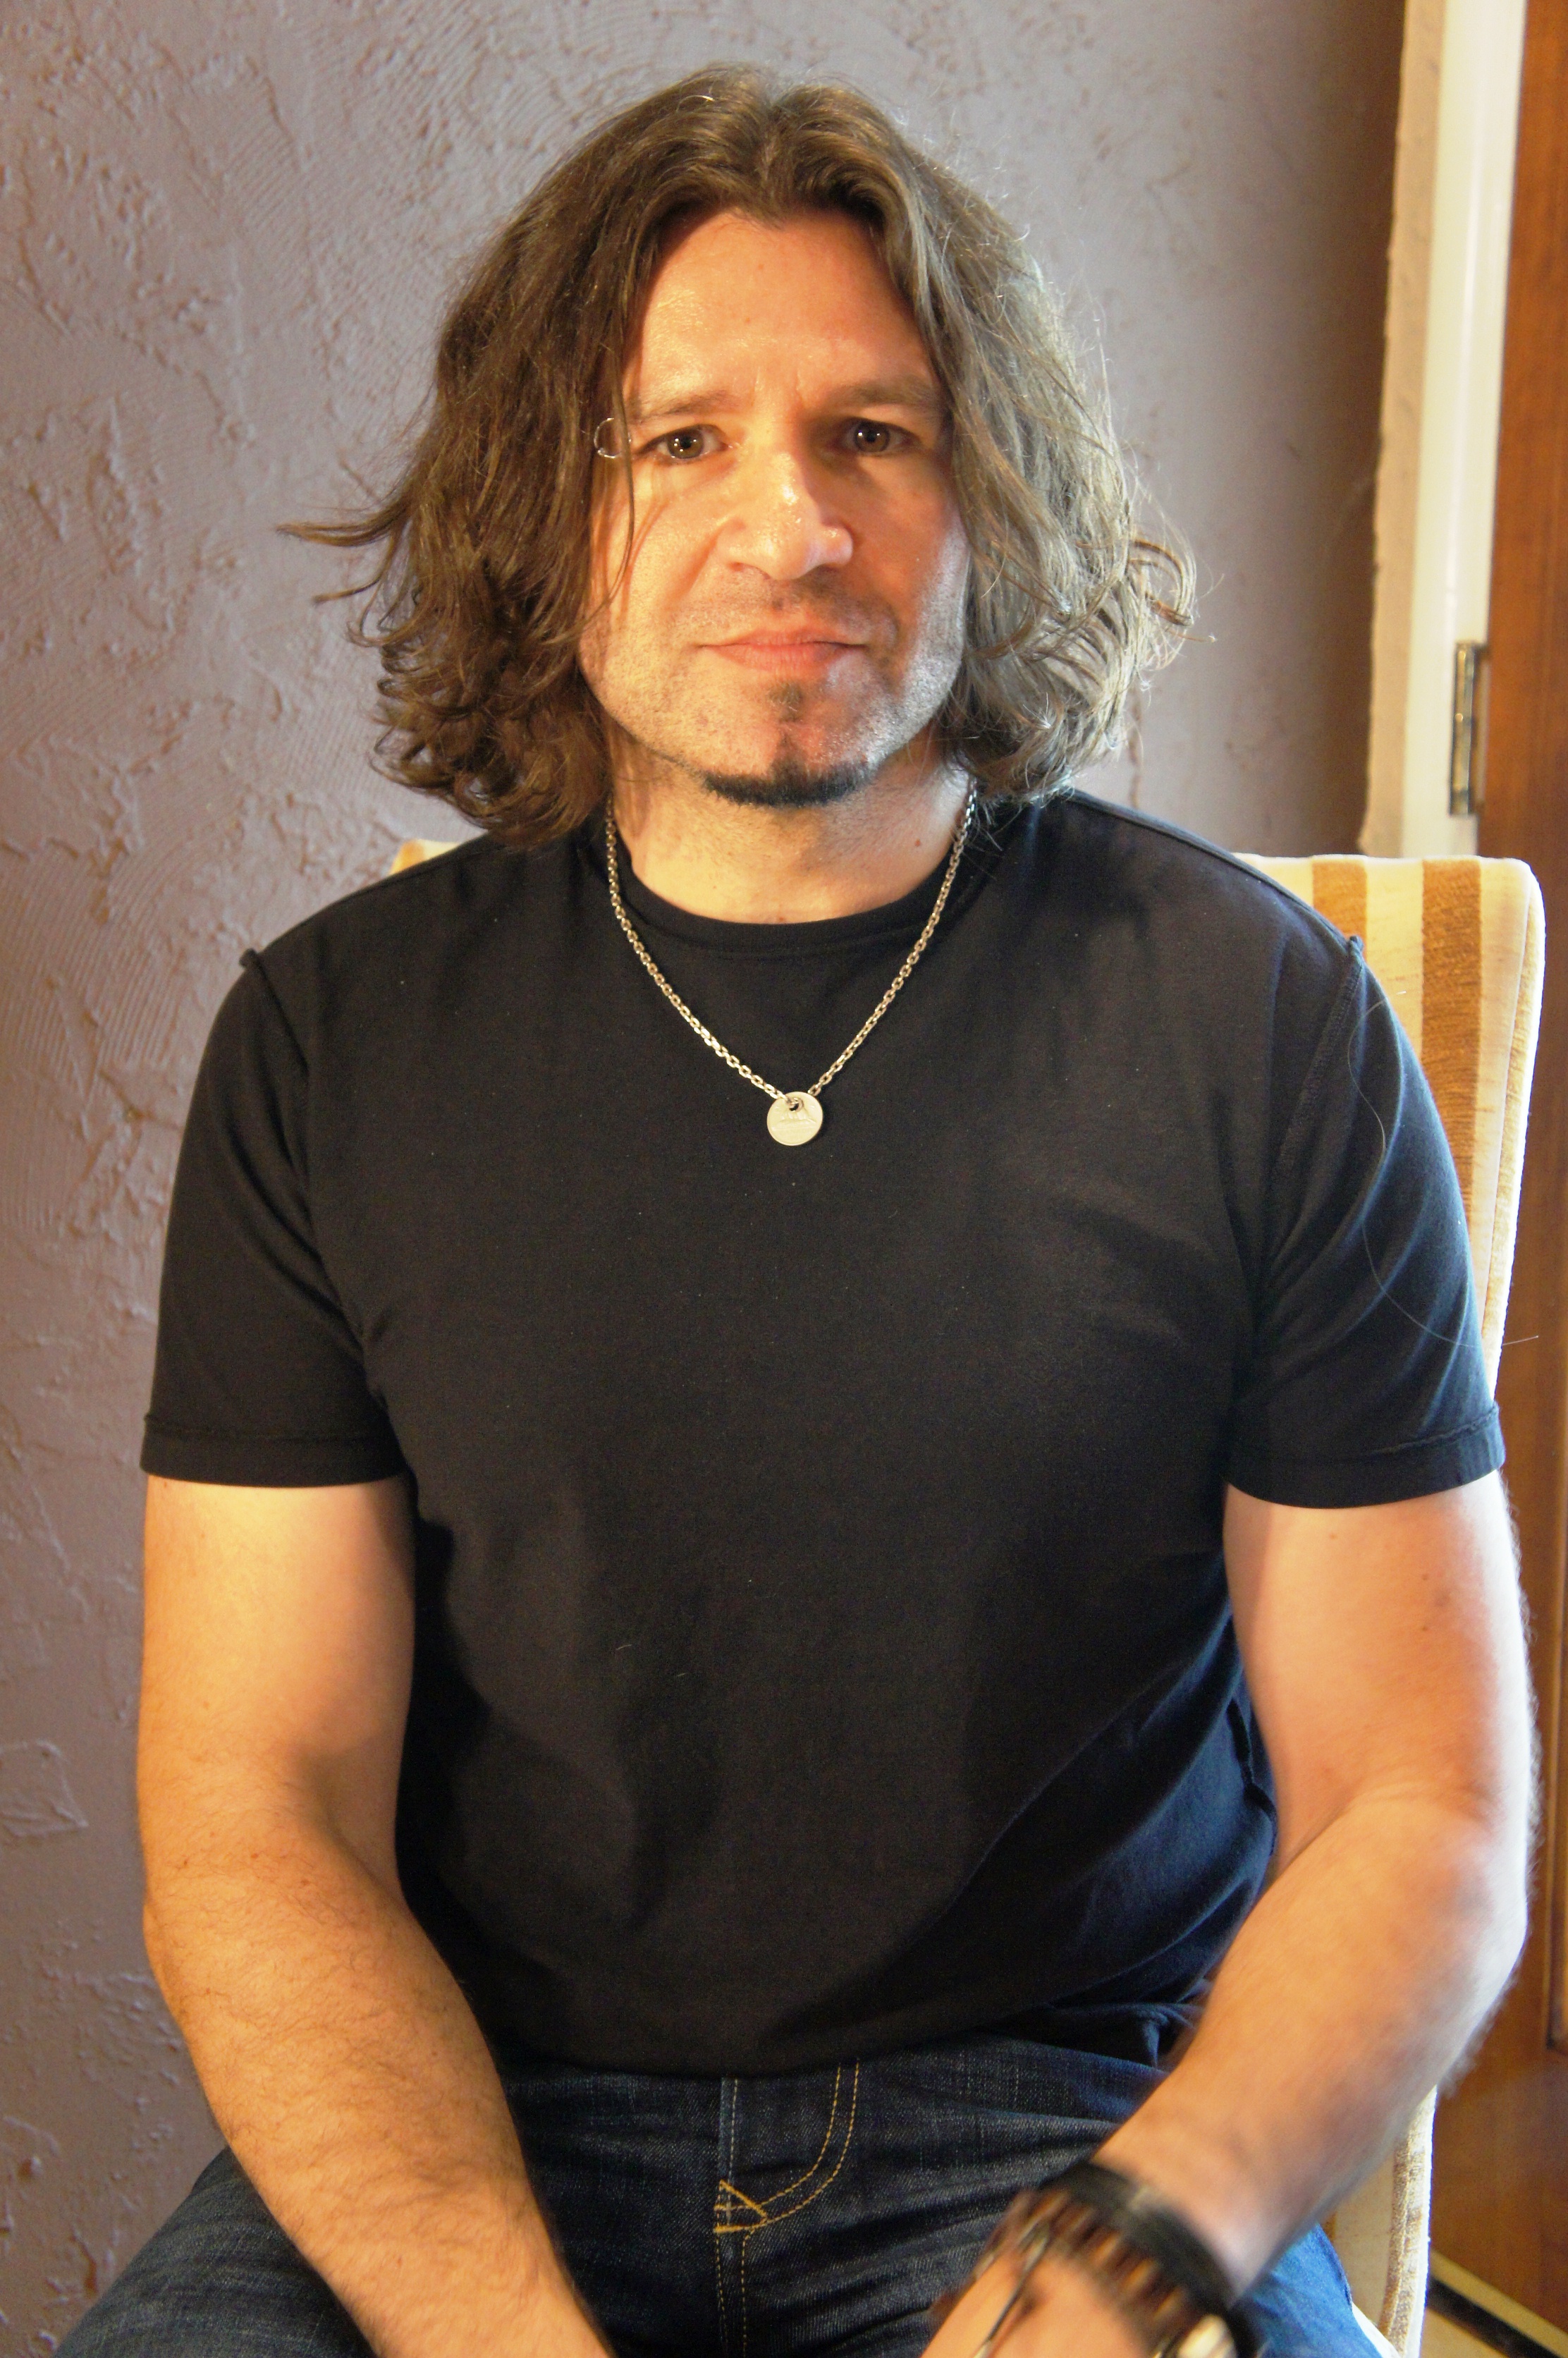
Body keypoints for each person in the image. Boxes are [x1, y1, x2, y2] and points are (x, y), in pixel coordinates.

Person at [66, 66, 1529, 2358]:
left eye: (876, 434)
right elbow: (261, 1814)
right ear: (541, 511)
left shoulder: (1259, 1025)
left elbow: (1424, 1801)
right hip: (481, 2121)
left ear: (990, 494)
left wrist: (1134, 2257)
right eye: (678, 441)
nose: (794, 528)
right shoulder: (330, 1049)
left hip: (1064, 2129)